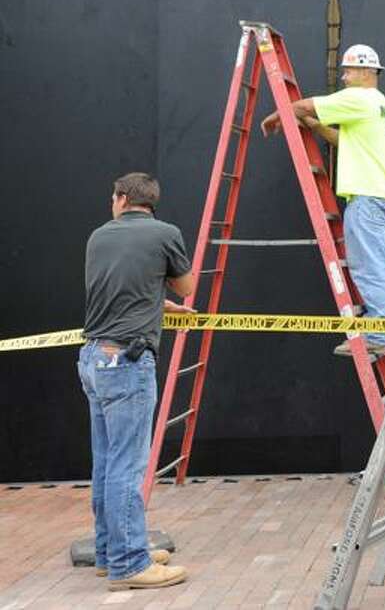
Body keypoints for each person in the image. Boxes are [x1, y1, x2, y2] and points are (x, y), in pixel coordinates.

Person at [81, 173, 195, 591]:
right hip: (128, 362)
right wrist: (160, 289)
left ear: (122, 198)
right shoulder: (165, 233)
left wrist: (151, 301)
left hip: (94, 357)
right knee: (128, 466)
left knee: (106, 461)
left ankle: (111, 550)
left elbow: (112, 293)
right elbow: (187, 287)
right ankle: (130, 564)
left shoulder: (98, 237)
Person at [261, 44, 385, 356]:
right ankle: (378, 328)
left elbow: (301, 106)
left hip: (368, 197)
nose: (344, 76)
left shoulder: (359, 98)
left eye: (349, 70)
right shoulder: (381, 105)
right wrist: (313, 125)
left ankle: (378, 335)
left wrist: (275, 117)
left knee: (369, 267)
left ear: (367, 71)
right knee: (378, 265)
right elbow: (344, 141)